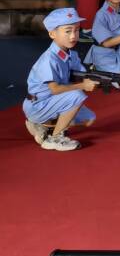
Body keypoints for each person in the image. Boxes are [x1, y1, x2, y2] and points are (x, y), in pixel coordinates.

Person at [22, 8, 98, 151]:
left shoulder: (71, 54)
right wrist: (83, 86)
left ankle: (44, 127)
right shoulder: (49, 59)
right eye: (67, 31)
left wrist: (111, 80)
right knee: (77, 95)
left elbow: (85, 77)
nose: (73, 36)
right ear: (52, 34)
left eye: (77, 30)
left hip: (54, 101)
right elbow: (55, 89)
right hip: (38, 104)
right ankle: (55, 138)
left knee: (89, 119)